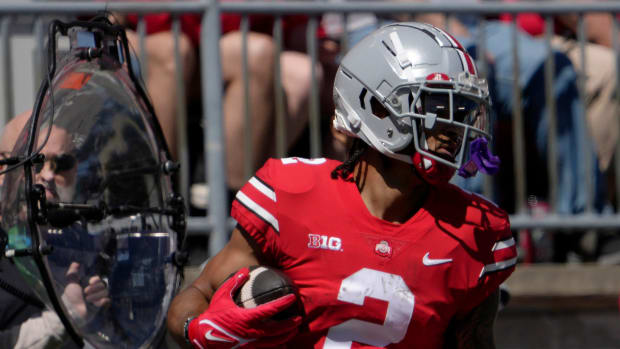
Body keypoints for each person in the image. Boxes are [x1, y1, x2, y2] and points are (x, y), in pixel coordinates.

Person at [167, 22, 517, 348]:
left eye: (463, 111)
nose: (453, 129)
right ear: (376, 106)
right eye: (438, 106)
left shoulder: (474, 232)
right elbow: (197, 294)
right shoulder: (291, 195)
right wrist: (197, 329)